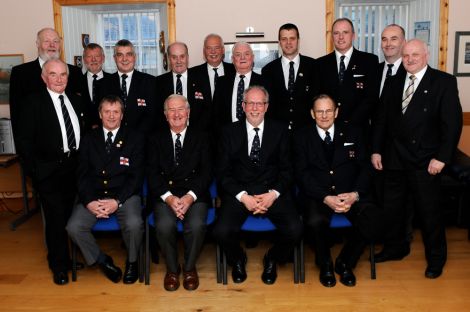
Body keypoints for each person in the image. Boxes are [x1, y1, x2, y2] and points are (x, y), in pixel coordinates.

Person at [371, 39, 463, 279]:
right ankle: (395, 248)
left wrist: (442, 158)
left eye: (415, 55)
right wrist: (376, 150)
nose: (410, 59)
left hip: (426, 160)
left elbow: (452, 125)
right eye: (406, 55)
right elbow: (381, 119)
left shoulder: (443, 82)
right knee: (393, 209)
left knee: (429, 213)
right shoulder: (393, 81)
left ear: (426, 55)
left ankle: (436, 259)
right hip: (394, 158)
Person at [212, 85, 302, 285]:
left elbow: (288, 170)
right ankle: (238, 259)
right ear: (243, 106)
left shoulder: (280, 131)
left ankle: (272, 258)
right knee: (220, 231)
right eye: (250, 103)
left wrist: (273, 194)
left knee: (295, 229)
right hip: (241, 193)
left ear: (266, 107)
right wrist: (243, 197)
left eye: (259, 103)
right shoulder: (228, 132)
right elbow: (223, 173)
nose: (254, 108)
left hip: (272, 192)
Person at [294, 94, 379, 287]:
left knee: (372, 219)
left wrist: (355, 195)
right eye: (319, 111)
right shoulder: (301, 136)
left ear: (336, 112)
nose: (324, 116)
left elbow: (366, 166)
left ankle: (345, 263)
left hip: (349, 193)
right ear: (312, 114)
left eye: (328, 111)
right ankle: (325, 264)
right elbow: (301, 173)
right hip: (318, 195)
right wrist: (325, 197)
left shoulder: (354, 132)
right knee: (315, 221)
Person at [15, 59, 86, 285]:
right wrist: (34, 173)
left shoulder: (76, 100)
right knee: (55, 222)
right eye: (53, 74)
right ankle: (59, 266)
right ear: (44, 78)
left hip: (75, 169)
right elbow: (24, 142)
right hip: (48, 173)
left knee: (72, 218)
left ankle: (70, 258)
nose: (59, 79)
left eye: (63, 74)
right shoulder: (33, 103)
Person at [66, 95, 145, 284]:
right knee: (74, 227)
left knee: (134, 224)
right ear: (100, 114)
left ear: (122, 115)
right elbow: (82, 175)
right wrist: (89, 201)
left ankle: (133, 262)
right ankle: (102, 260)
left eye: (116, 112)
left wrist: (117, 201)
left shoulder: (134, 138)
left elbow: (136, 176)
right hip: (95, 196)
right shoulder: (88, 139)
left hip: (124, 196)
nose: (111, 116)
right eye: (107, 112)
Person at [147, 94, 212, 291]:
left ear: (188, 112)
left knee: (197, 224)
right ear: (165, 115)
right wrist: (170, 198)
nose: (176, 114)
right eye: (171, 110)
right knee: (165, 225)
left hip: (194, 193)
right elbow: (151, 173)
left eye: (180, 109)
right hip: (165, 195)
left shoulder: (202, 137)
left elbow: (207, 172)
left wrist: (190, 197)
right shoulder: (154, 139)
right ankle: (173, 270)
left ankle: (190, 268)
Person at [9, 27, 82, 139]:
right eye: (47, 41)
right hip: (37, 147)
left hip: (72, 145)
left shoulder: (75, 72)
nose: (52, 45)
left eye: (55, 41)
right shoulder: (21, 73)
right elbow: (16, 114)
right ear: (38, 44)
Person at [316, 18, 379, 133]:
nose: (341, 37)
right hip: (329, 130)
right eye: (336, 33)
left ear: (353, 35)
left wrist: (350, 123)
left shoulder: (369, 61)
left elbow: (371, 98)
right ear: (332, 37)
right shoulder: (320, 64)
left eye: (345, 32)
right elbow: (318, 97)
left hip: (359, 130)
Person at [262, 23, 318, 130]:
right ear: (279, 42)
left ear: (298, 40)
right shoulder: (268, 70)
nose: (288, 42)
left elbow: (317, 100)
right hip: (277, 133)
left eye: (292, 38)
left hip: (307, 132)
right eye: (284, 39)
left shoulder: (314, 66)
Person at [99, 39, 157, 135]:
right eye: (120, 55)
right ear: (114, 58)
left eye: (129, 54)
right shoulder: (104, 83)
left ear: (134, 57)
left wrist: (135, 137)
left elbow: (152, 115)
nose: (124, 59)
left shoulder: (150, 81)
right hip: (113, 139)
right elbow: (102, 114)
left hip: (142, 140)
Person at [156, 42, 212, 131]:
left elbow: (207, 111)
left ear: (187, 57)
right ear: (169, 59)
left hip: (197, 136)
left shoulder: (202, 80)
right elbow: (156, 114)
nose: (178, 61)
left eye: (182, 56)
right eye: (174, 57)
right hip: (167, 137)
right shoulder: (158, 82)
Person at [213, 42, 264, 129]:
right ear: (232, 59)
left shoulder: (264, 82)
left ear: (253, 57)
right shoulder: (222, 82)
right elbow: (215, 114)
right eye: (238, 55)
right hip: (227, 136)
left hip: (255, 135)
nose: (242, 58)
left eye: (246, 54)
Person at [190, 33, 235, 101]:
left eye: (217, 48)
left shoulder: (234, 70)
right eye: (209, 48)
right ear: (204, 51)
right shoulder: (192, 73)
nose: (213, 52)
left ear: (223, 50)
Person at [81, 43, 112, 128]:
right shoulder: (76, 82)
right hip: (84, 133)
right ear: (84, 59)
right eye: (89, 56)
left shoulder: (113, 80)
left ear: (103, 58)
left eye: (97, 56)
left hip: (109, 129)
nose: (93, 60)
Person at [379, 24, 406, 97]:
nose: (388, 44)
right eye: (384, 39)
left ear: (404, 42)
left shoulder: (410, 71)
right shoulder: (373, 70)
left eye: (393, 39)